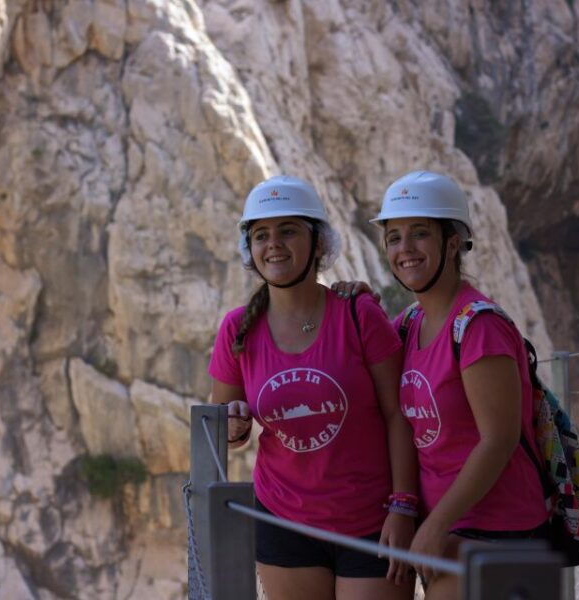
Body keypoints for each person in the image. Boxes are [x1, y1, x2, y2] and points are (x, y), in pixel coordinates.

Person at [336, 171, 549, 599]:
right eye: (394, 237)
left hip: (494, 529)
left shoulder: (478, 326)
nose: (404, 249)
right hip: (450, 527)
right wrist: (355, 303)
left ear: (452, 242)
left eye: (419, 234)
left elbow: (498, 440)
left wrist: (435, 524)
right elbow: (358, 365)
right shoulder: (411, 323)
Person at [208, 175, 418, 600]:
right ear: (249, 249)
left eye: (289, 231)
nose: (274, 244)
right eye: (261, 234)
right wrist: (235, 426)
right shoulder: (237, 329)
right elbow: (224, 425)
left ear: (318, 243)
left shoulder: (358, 314)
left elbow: (399, 414)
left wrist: (403, 506)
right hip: (284, 523)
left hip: (371, 521)